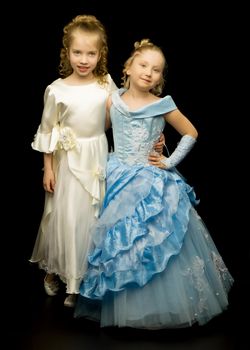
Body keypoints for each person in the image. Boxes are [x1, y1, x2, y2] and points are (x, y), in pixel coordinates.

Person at [74, 39, 234, 328]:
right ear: (128, 68)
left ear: (161, 77)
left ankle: (155, 304)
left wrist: (168, 161)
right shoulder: (114, 99)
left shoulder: (162, 104)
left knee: (151, 241)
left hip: (150, 179)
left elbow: (191, 132)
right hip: (117, 175)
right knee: (118, 242)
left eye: (156, 70)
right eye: (143, 65)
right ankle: (117, 301)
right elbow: (97, 132)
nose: (149, 72)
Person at [30, 16, 164, 308]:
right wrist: (49, 168)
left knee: (93, 218)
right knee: (66, 217)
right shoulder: (56, 90)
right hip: (68, 161)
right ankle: (57, 271)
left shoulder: (106, 84)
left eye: (91, 53)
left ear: (101, 54)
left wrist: (152, 136)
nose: (84, 59)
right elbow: (47, 130)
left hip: (97, 156)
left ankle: (80, 281)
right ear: (67, 52)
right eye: (77, 52)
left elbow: (124, 114)